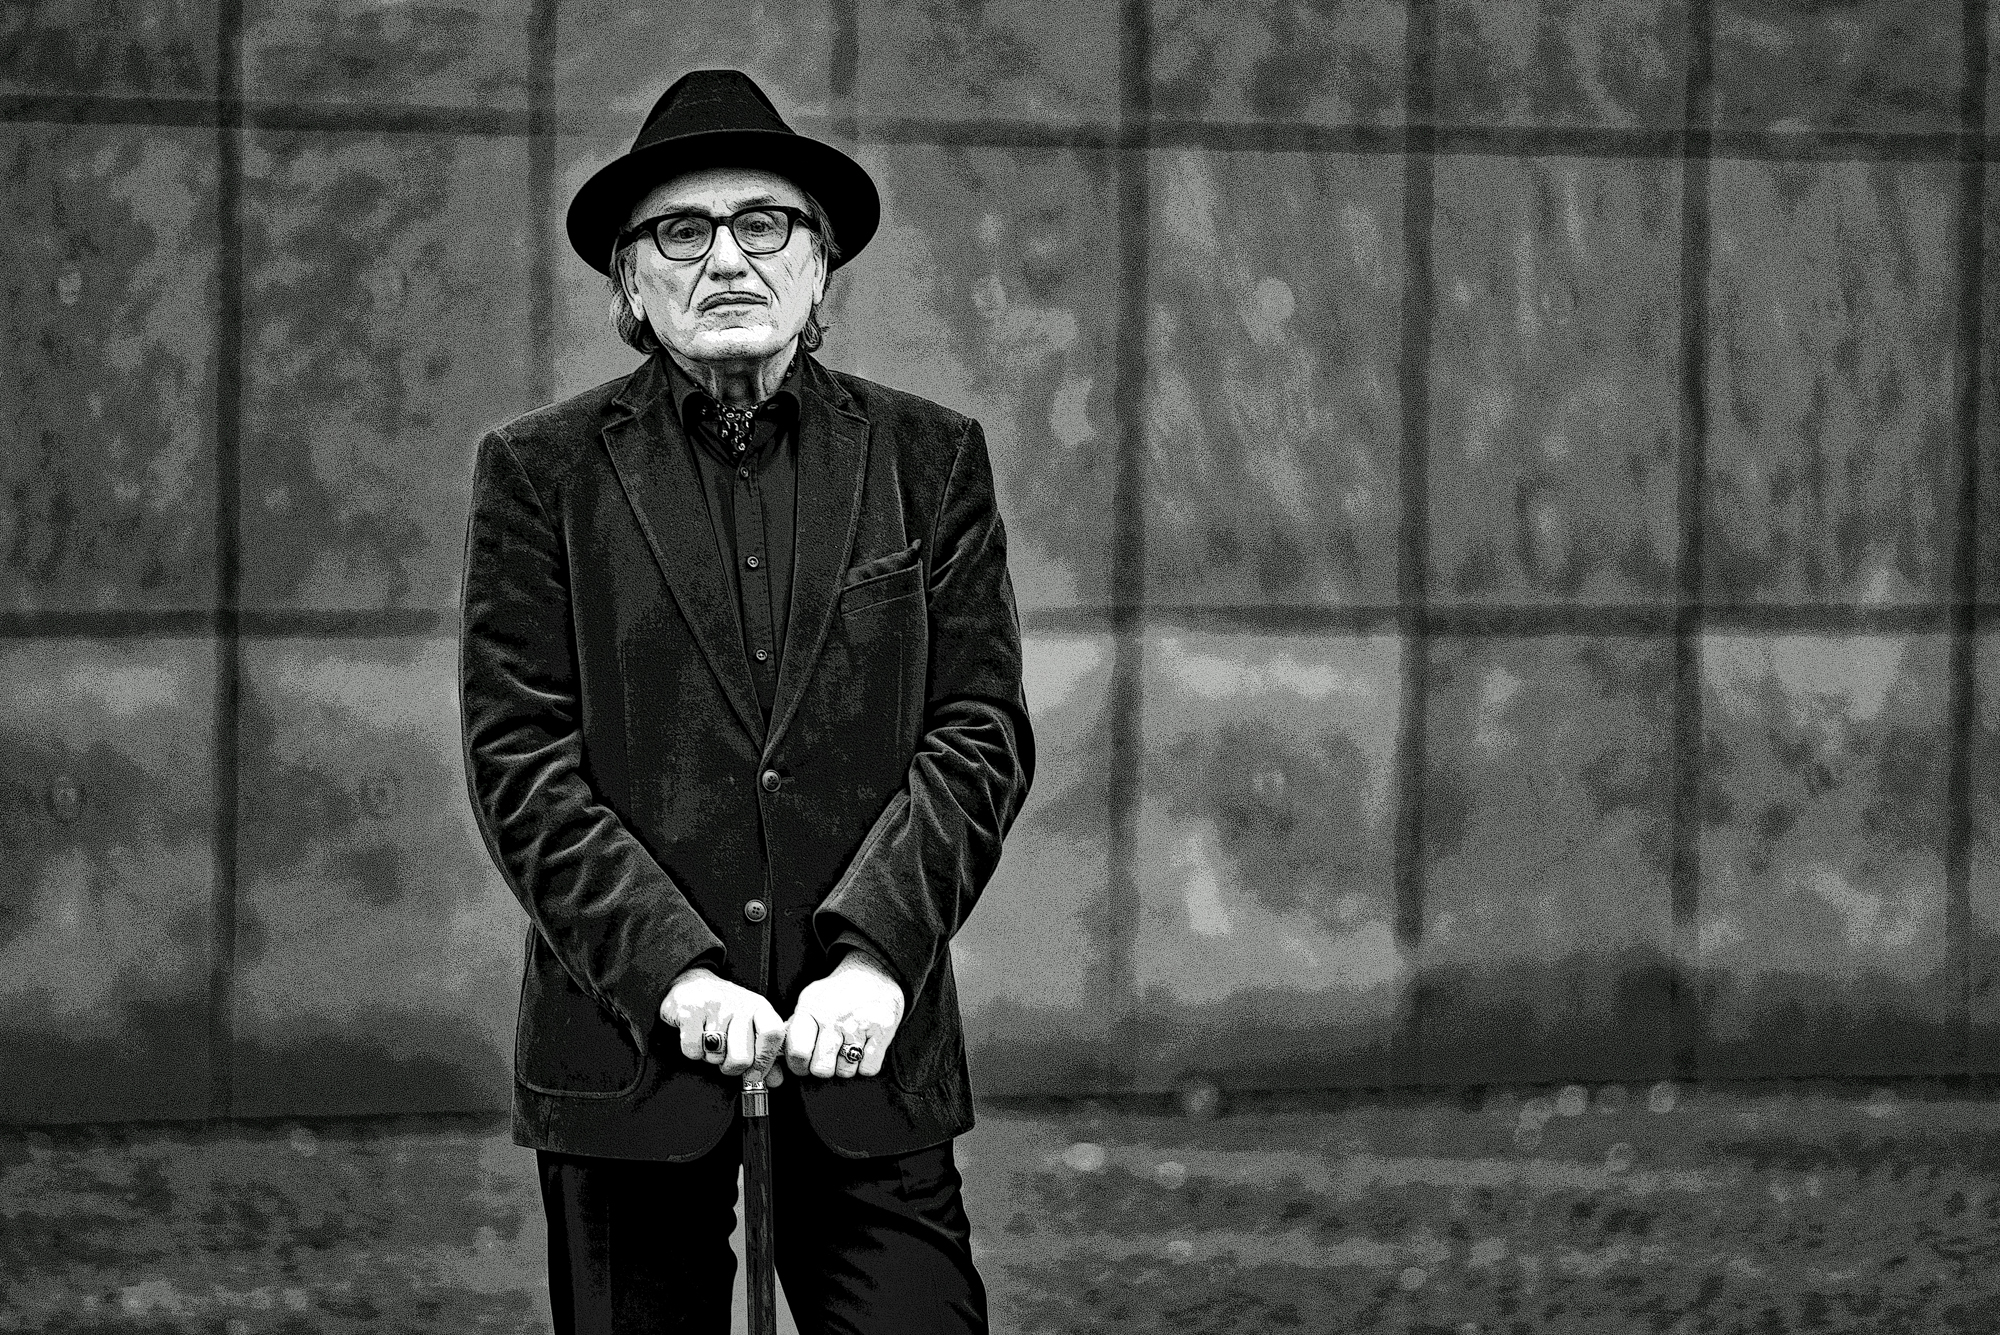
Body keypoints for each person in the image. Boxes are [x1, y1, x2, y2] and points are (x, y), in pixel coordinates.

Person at [458, 68, 1034, 1334]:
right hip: (627, 1055)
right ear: (628, 284)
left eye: (763, 224)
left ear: (820, 269)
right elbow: (521, 761)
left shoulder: (929, 459)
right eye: (681, 231)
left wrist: (875, 960)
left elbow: (978, 730)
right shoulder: (539, 475)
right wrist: (672, 975)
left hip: (864, 1052)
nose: (726, 257)